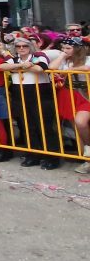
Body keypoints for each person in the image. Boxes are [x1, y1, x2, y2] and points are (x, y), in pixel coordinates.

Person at [1, 36, 60, 169]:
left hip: (40, 92)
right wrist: (21, 65)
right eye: (18, 46)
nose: (21, 48)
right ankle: (33, 154)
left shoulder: (38, 55)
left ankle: (52, 156)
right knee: (27, 125)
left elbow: (41, 68)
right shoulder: (14, 59)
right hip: (20, 93)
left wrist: (19, 67)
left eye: (24, 46)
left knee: (44, 125)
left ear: (30, 47)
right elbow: (3, 66)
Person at [49, 37, 90, 173]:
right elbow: (52, 68)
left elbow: (86, 67)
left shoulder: (87, 58)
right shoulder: (64, 60)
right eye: (63, 48)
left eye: (68, 48)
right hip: (69, 94)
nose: (64, 50)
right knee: (76, 127)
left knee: (81, 122)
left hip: (85, 94)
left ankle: (88, 149)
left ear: (77, 49)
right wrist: (62, 55)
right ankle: (86, 159)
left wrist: (70, 69)